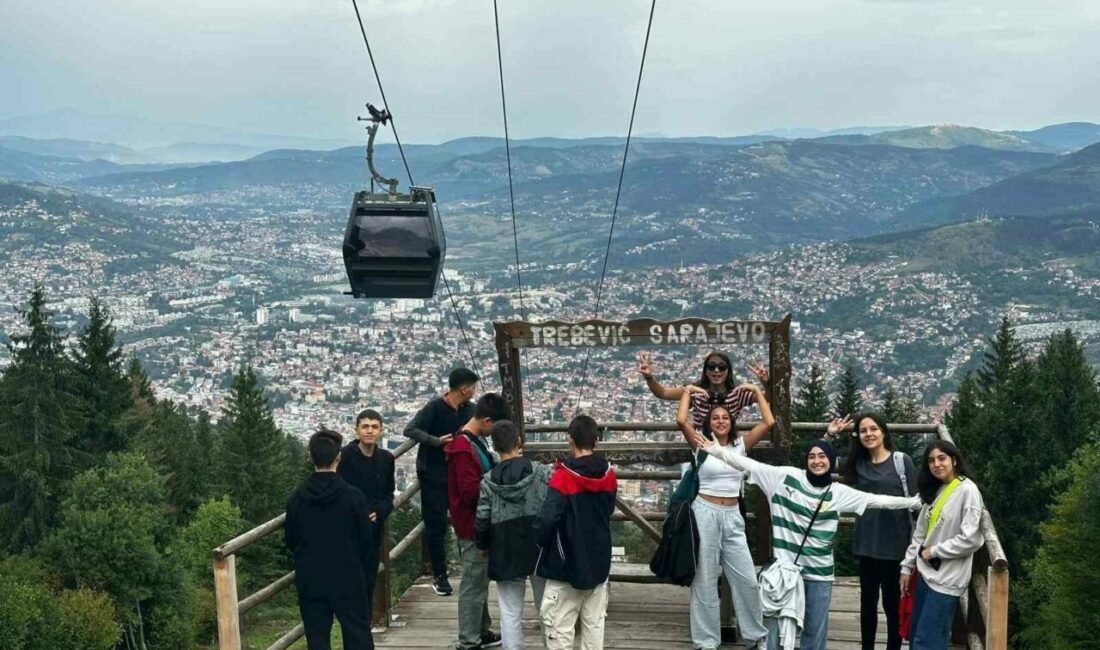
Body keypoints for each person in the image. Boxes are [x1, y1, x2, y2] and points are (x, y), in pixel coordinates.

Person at [691, 433, 921, 650]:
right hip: (785, 572)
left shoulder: (838, 492)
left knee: (815, 631)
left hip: (819, 572)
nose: (816, 461)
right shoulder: (784, 478)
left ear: (831, 461)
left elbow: (876, 501)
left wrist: (914, 502)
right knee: (776, 628)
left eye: (822, 456)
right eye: (811, 456)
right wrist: (717, 451)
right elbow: (748, 465)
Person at [675, 384, 773, 649]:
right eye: (715, 418)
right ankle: (706, 641)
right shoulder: (701, 444)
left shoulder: (741, 446)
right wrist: (687, 390)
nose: (720, 421)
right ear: (709, 422)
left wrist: (755, 390)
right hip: (704, 511)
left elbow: (769, 421)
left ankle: (755, 636)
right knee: (704, 580)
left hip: (732, 514)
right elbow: (681, 419)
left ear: (732, 422)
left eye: (725, 417)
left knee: (747, 579)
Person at [829, 412, 918, 650]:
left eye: (873, 429)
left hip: (896, 545)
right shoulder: (857, 464)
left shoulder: (902, 461)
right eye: (864, 431)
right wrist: (830, 434)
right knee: (867, 606)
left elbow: (917, 501)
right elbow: (820, 461)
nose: (869, 434)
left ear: (883, 432)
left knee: (892, 606)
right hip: (867, 543)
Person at [284, 429, 375, 650]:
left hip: (311, 575)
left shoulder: (297, 497)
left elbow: (290, 539)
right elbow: (366, 542)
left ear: (311, 458)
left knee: (317, 638)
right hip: (348, 573)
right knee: (357, 634)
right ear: (338, 458)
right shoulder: (353, 496)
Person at [534, 415, 618, 650]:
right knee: (594, 626)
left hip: (565, 563)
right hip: (599, 560)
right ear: (596, 441)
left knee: (560, 628)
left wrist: (541, 542)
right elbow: (609, 509)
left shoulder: (563, 477)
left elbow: (547, 519)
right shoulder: (609, 476)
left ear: (569, 440)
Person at [900, 440, 984, 650]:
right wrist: (907, 566)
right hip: (925, 575)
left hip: (947, 580)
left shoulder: (967, 490)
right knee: (917, 636)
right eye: (931, 460)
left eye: (941, 458)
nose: (936, 464)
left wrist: (935, 551)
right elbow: (920, 534)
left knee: (928, 643)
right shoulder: (935, 490)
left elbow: (971, 538)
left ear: (954, 460)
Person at [476, 420, 552, 650]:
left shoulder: (488, 481)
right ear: (519, 442)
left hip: (504, 545)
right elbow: (553, 507)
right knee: (547, 606)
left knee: (510, 610)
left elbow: (482, 519)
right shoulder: (540, 472)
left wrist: (483, 547)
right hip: (538, 545)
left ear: (495, 447)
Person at [404, 367, 480, 596]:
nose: (474, 391)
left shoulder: (470, 410)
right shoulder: (435, 408)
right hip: (434, 473)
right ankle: (439, 574)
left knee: (464, 521)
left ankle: (469, 571)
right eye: (473, 387)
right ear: (465, 389)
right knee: (436, 525)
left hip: (459, 472)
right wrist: (436, 441)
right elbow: (410, 429)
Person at [446, 393, 511, 650]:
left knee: (480, 580)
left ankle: (481, 630)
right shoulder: (464, 449)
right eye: (495, 427)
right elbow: (469, 491)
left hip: (479, 522)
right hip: (472, 524)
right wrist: (497, 478)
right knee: (473, 584)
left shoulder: (473, 441)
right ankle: (468, 640)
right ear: (486, 420)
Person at [337, 409, 396, 624]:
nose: (369, 431)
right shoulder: (344, 457)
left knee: (369, 580)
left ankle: (366, 627)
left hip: (374, 528)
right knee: (351, 581)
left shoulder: (386, 459)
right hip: (348, 530)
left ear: (380, 431)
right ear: (356, 430)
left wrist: (380, 511)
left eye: (374, 426)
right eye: (365, 426)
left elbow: (389, 494)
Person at [638, 350, 768, 431]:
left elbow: (766, 398)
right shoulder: (695, 392)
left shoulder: (737, 394)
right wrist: (649, 377)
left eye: (722, 367)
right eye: (712, 366)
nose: (716, 370)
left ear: (728, 371)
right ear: (705, 371)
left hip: (728, 448)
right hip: (700, 448)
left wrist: (765, 382)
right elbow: (663, 393)